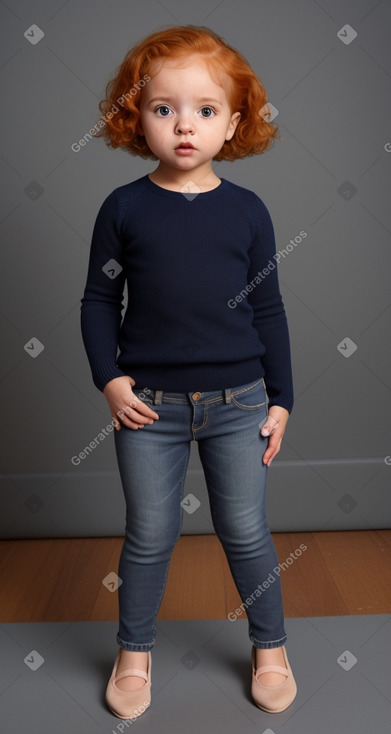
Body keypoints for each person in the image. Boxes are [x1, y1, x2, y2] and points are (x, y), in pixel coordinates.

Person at [80, 24, 297, 720]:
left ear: (233, 122)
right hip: (148, 406)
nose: (183, 126)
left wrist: (282, 400)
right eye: (162, 108)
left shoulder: (248, 211)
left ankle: (271, 649)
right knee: (148, 533)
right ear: (132, 115)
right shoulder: (123, 208)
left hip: (240, 402)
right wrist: (110, 380)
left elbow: (268, 310)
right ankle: (133, 655)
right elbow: (95, 302)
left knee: (245, 528)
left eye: (204, 110)